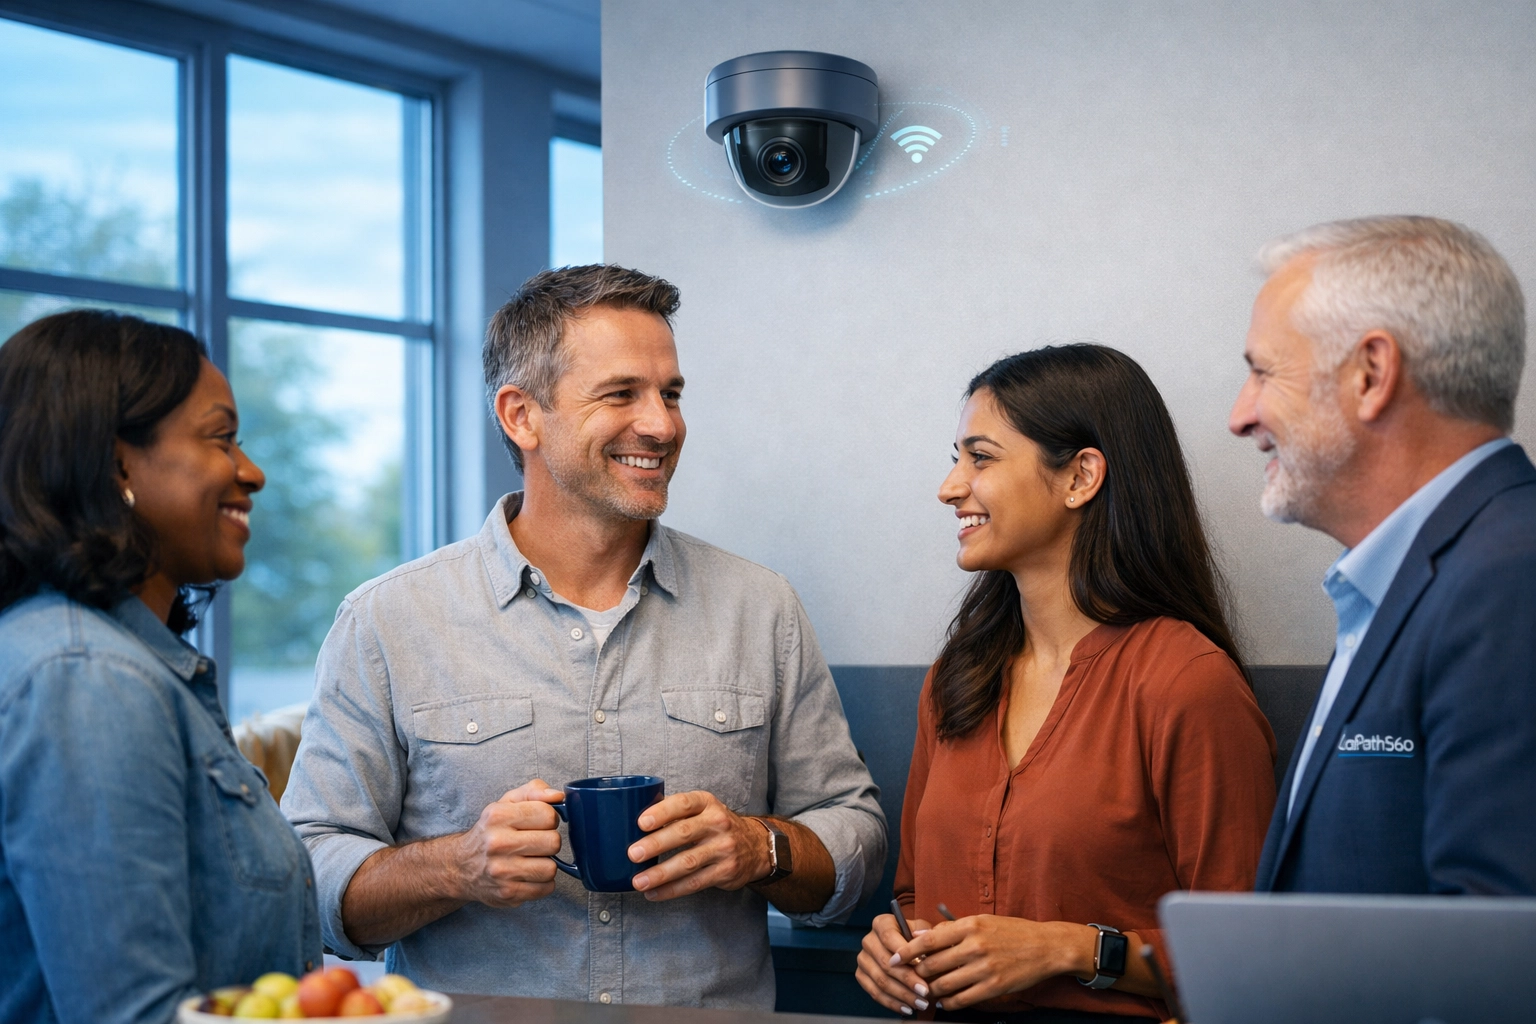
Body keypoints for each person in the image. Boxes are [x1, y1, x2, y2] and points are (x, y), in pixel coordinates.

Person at [282, 264, 885, 1009]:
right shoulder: (387, 621)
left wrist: (759, 847)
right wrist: (458, 866)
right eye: (621, 394)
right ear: (521, 416)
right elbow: (306, 877)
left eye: (671, 394)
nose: (662, 425)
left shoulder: (761, 609)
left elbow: (856, 837)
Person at [856, 345, 1277, 1023]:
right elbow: (913, 895)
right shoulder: (954, 680)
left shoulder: (1186, 683)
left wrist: (1068, 949)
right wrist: (896, 946)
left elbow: (1248, 955)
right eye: (957, 458)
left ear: (1081, 477)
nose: (950, 487)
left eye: (981, 458)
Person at [0, 311, 319, 1024]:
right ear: (119, 465)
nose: (252, 472)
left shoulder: (102, 661)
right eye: (221, 438)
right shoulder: (88, 679)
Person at [1231, 216, 1536, 894]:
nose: (1240, 416)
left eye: (1262, 373)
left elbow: (1501, 942)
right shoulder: (1421, 577)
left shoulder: (1510, 579)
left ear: (1371, 373)